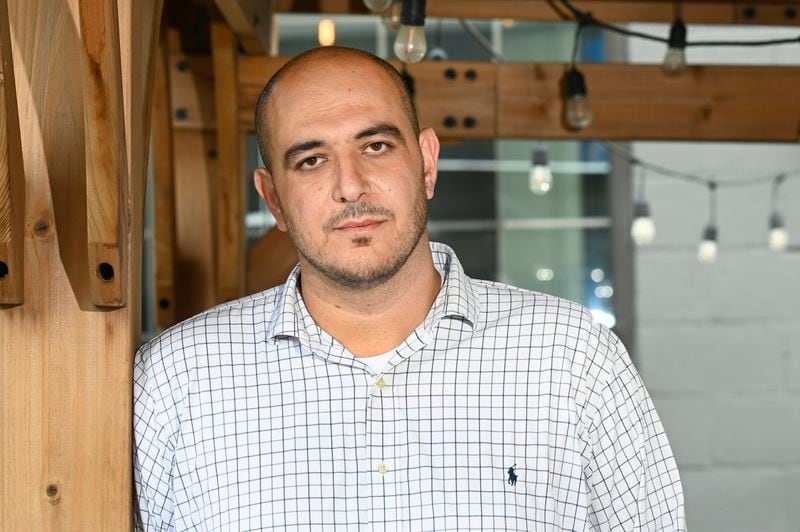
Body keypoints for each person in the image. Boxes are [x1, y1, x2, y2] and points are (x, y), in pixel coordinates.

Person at [134, 46, 685, 530]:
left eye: (375, 147)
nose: (349, 186)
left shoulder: (571, 357)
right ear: (273, 197)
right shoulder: (176, 380)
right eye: (311, 160)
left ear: (425, 162)